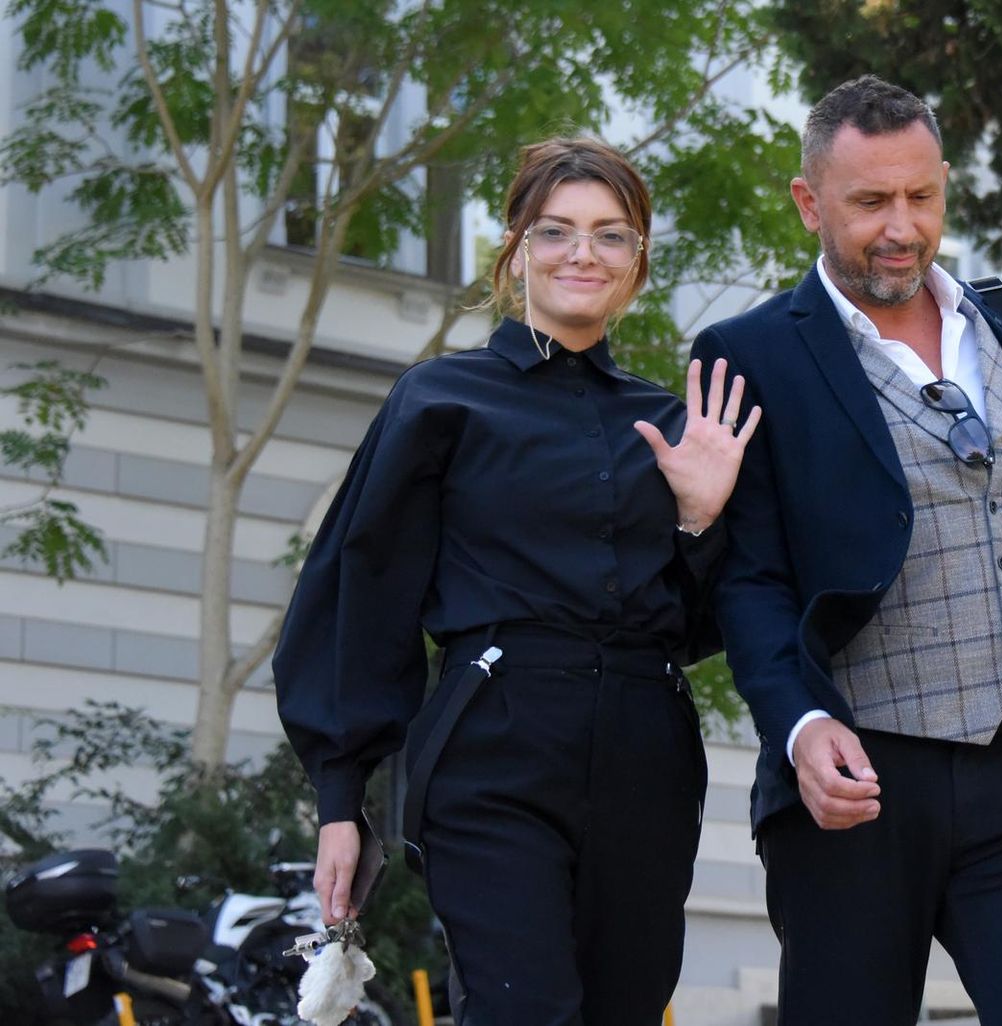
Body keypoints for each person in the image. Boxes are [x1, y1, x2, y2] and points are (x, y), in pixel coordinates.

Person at [690, 76, 1002, 1025]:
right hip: (860, 781)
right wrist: (801, 726)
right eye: (870, 202)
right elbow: (750, 581)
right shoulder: (749, 353)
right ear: (809, 203)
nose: (902, 228)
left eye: (921, 196)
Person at [273, 136, 759, 1026]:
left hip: (646, 755)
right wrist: (342, 800)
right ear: (516, 248)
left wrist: (700, 517)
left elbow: (700, 626)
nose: (583, 253)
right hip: (492, 743)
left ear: (637, 259)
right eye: (556, 231)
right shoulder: (440, 401)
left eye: (611, 235)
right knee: (521, 1008)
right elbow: (359, 595)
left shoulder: (671, 427)